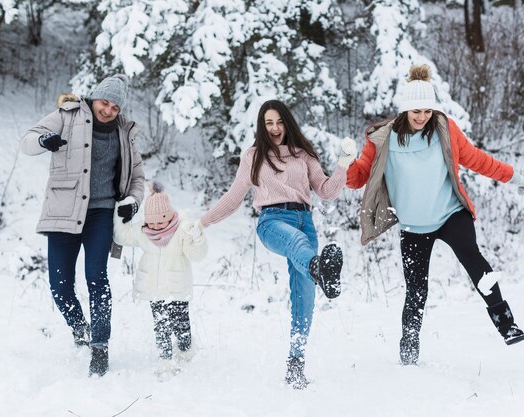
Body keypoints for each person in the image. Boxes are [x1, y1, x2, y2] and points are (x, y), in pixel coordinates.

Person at [345, 64, 524, 365]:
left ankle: (506, 323)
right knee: (416, 289)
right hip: (413, 226)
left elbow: (476, 160)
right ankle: (409, 347)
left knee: (473, 257)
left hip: (450, 214)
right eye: (416, 111)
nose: (422, 117)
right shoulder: (382, 139)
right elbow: (356, 180)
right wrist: (345, 162)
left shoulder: (445, 129)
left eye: (427, 111)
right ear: (405, 110)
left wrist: (513, 177)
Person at [196, 99, 357, 389]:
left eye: (279, 122)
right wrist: (202, 223)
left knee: (304, 298)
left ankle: (296, 363)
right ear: (262, 125)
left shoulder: (303, 154)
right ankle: (318, 267)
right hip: (272, 220)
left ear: (287, 122)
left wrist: (343, 162)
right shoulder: (254, 156)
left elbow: (327, 191)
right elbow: (234, 198)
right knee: (295, 242)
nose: (274, 127)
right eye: (268, 122)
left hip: (304, 219)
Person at [20, 74, 145, 377]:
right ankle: (79, 325)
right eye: (105, 102)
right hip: (63, 210)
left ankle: (100, 347)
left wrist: (133, 201)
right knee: (60, 285)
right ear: (94, 98)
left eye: (115, 107)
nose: (108, 110)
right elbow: (26, 142)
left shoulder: (125, 133)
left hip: (100, 213)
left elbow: (138, 178)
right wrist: (43, 141)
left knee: (96, 278)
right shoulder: (68, 115)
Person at [113, 181, 207, 375]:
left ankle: (186, 350)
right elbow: (122, 238)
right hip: (154, 289)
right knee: (161, 325)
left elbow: (197, 255)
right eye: (152, 223)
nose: (156, 227)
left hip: (177, 288)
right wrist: (120, 216)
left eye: (160, 222)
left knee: (181, 326)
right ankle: (165, 361)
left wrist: (198, 238)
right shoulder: (142, 232)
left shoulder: (182, 230)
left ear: (170, 216)